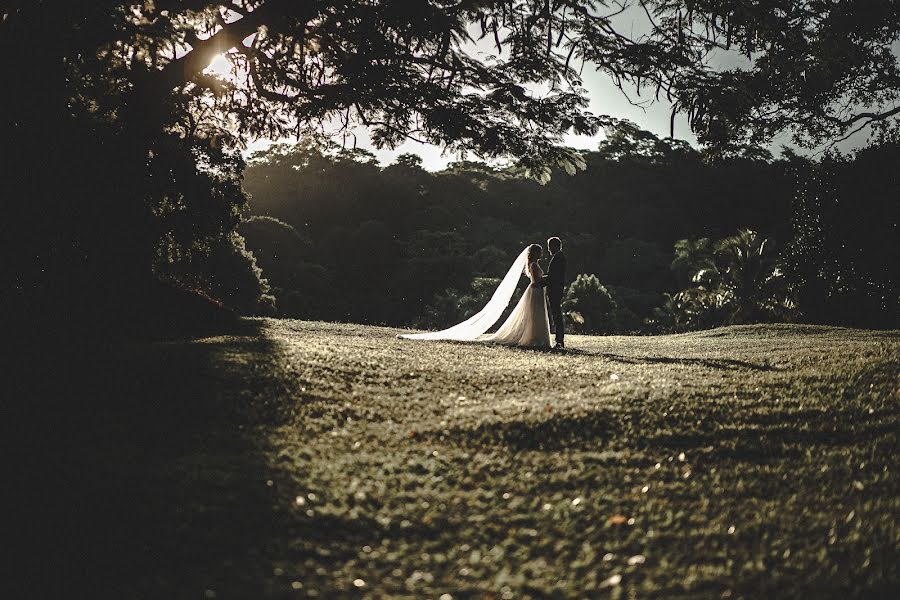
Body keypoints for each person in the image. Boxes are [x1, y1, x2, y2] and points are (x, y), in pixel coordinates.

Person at [398, 243, 551, 348]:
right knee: (534, 315)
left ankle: (534, 338)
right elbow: (537, 280)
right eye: (540, 251)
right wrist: (549, 278)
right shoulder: (534, 265)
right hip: (535, 290)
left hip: (535, 291)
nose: (542, 253)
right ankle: (535, 338)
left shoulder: (532, 264)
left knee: (533, 315)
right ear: (535, 253)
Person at [543, 236, 567, 349]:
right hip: (555, 289)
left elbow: (554, 276)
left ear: (554, 246)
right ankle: (559, 340)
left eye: (549, 247)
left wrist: (541, 280)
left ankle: (559, 340)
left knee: (556, 315)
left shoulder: (558, 258)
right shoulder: (559, 257)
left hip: (555, 290)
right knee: (556, 315)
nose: (548, 250)